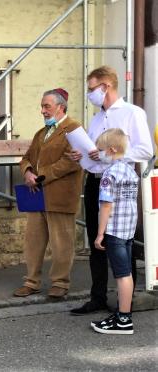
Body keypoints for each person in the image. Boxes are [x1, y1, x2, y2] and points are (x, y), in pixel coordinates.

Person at [68, 66, 153, 315]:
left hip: (119, 182)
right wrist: (81, 155)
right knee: (97, 240)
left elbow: (145, 150)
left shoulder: (131, 113)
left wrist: (106, 154)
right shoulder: (96, 119)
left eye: (92, 88)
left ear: (106, 86)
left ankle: (124, 303)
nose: (89, 93)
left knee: (120, 240)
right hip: (95, 180)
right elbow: (94, 154)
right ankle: (98, 297)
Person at [13, 88, 83, 298]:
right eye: (42, 106)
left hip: (60, 196)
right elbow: (26, 158)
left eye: (47, 106)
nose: (42, 110)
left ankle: (60, 283)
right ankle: (31, 281)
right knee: (33, 241)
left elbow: (71, 162)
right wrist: (27, 172)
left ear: (60, 107)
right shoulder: (41, 133)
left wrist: (40, 175)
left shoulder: (74, 129)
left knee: (62, 243)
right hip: (37, 195)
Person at [90, 128, 138, 334]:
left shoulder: (109, 174)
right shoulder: (130, 171)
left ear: (110, 149)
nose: (98, 153)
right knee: (126, 272)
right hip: (128, 230)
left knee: (122, 274)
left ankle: (124, 319)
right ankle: (123, 313)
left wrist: (100, 233)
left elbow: (106, 205)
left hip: (115, 231)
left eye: (100, 150)